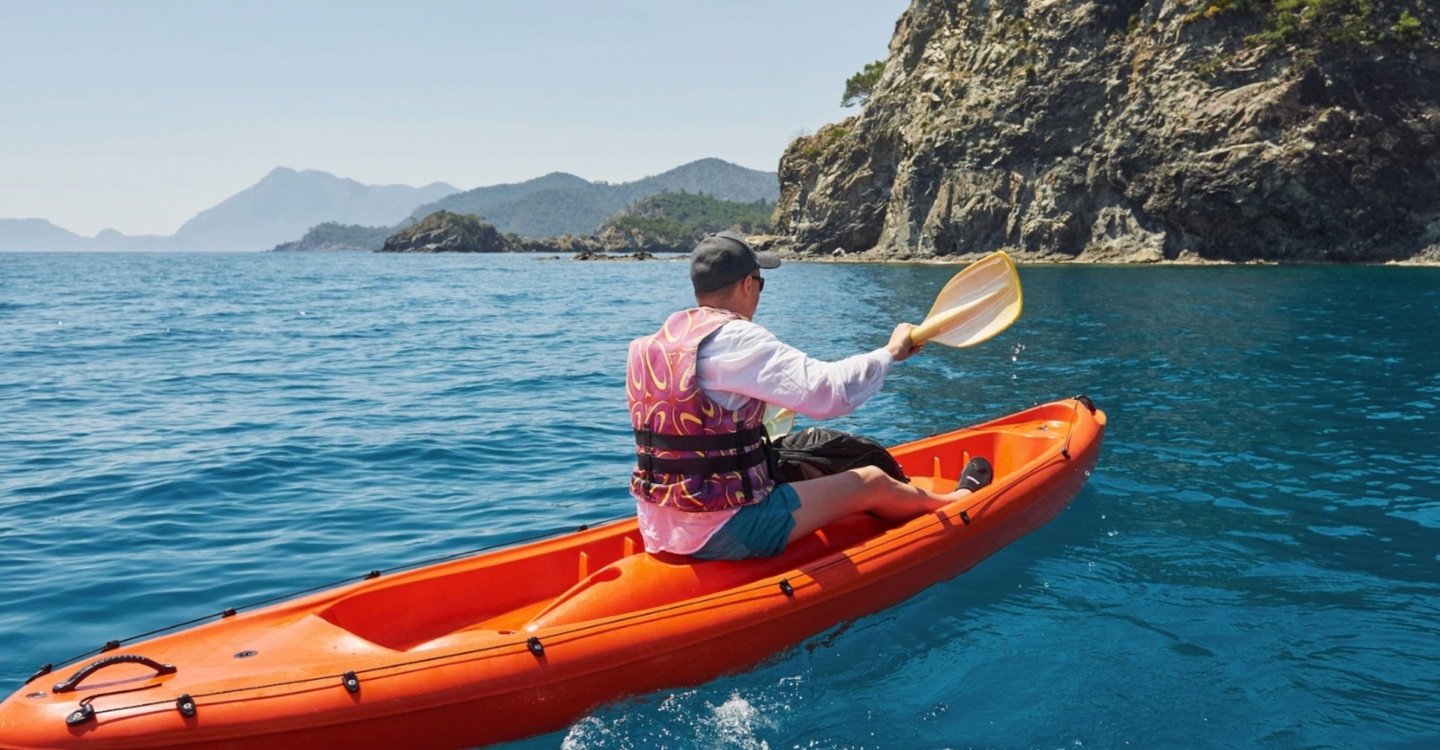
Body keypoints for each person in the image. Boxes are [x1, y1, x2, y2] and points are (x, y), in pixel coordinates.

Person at [626, 230, 992, 560]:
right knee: (870, 481)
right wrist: (890, 353)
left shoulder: (649, 346)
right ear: (747, 285)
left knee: (800, 457)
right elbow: (828, 394)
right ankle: (956, 501)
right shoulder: (737, 338)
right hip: (722, 530)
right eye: (760, 283)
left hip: (657, 527)